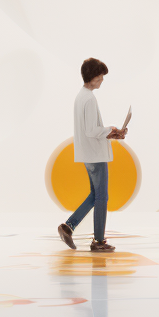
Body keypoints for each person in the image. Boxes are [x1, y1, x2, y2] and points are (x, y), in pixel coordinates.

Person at [58, 57, 126, 252]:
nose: (102, 80)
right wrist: (110, 129)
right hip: (95, 155)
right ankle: (98, 241)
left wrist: (110, 133)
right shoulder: (88, 98)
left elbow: (89, 130)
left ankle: (68, 226)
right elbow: (90, 130)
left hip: (88, 153)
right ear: (93, 77)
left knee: (95, 195)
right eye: (101, 76)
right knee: (101, 197)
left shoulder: (82, 96)